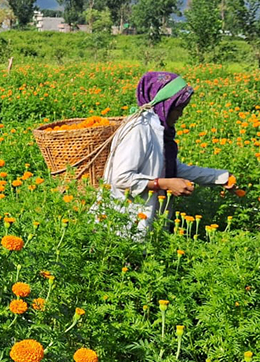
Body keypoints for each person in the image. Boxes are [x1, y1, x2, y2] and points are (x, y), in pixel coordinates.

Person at [94, 71, 233, 240]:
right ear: (164, 104)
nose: (180, 114)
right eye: (178, 108)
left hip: (146, 222)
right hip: (121, 227)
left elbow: (171, 168)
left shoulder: (158, 128)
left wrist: (220, 177)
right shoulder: (139, 129)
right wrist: (164, 184)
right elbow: (122, 178)